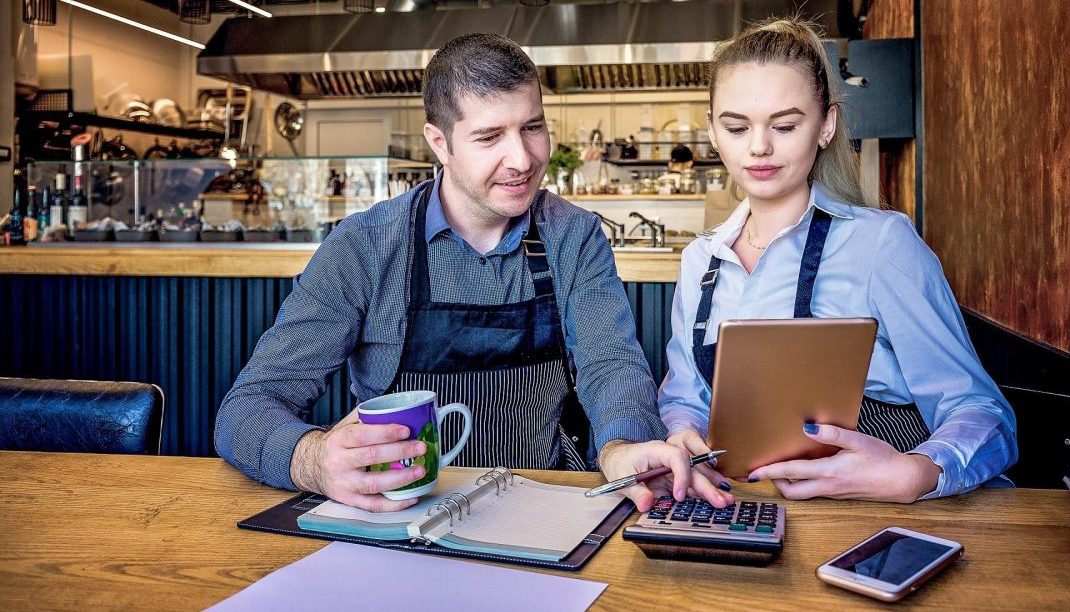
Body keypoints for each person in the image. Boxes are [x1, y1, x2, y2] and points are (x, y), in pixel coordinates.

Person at [215, 33, 733, 513]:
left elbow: (611, 366)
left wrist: (622, 446)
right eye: (490, 137)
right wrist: (315, 459)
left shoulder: (573, 236)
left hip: (543, 509)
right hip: (402, 518)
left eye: (532, 127)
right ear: (440, 143)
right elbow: (247, 410)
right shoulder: (365, 247)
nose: (523, 158)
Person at [659, 18, 1017, 503]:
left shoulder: (882, 244)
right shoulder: (700, 262)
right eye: (737, 126)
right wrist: (682, 433)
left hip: (874, 515)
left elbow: (982, 412)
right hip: (745, 506)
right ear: (712, 132)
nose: (759, 146)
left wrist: (915, 474)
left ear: (825, 126)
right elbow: (685, 398)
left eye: (785, 125)